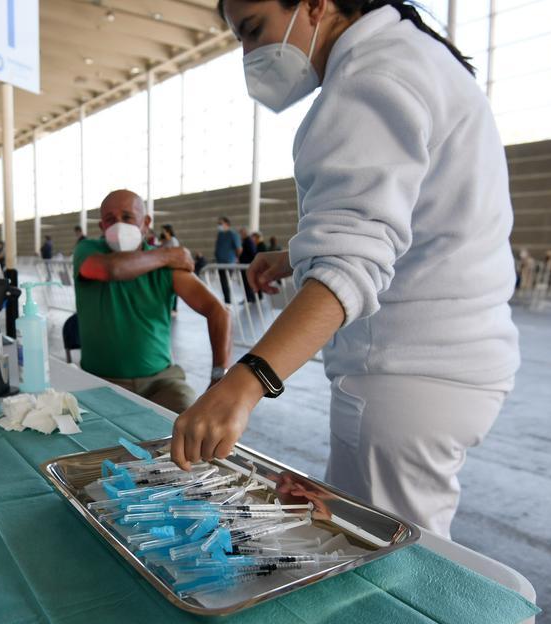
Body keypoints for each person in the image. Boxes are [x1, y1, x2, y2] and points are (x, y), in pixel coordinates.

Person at [172, 0, 523, 539]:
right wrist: (294, 255)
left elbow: (350, 263)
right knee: (359, 535)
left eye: (251, 29)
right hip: (451, 368)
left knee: (397, 570)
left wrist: (242, 385)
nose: (248, 52)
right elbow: (414, 215)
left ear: (316, 5)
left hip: (408, 377)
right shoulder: (412, 56)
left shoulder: (369, 75)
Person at [75, 190, 232, 413]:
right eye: (110, 220)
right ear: (101, 227)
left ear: (146, 222)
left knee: (189, 428)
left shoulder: (167, 270)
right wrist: (167, 255)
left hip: (162, 383)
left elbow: (218, 311)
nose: (119, 226)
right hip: (101, 383)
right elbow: (112, 269)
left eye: (127, 217)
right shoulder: (89, 252)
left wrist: (219, 376)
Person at [213, 216, 242, 304]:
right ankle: (226, 299)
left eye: (220, 223)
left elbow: (239, 249)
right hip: (220, 262)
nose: (219, 226)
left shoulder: (233, 234)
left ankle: (228, 300)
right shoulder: (220, 235)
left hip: (229, 262)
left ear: (227, 224)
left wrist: (236, 258)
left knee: (226, 281)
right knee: (222, 281)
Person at [239, 228, 259, 302]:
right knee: (246, 282)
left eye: (241, 233)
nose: (240, 235)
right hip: (245, 265)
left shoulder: (248, 241)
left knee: (248, 282)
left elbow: (252, 253)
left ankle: (251, 298)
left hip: (247, 265)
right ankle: (249, 298)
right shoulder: (246, 241)